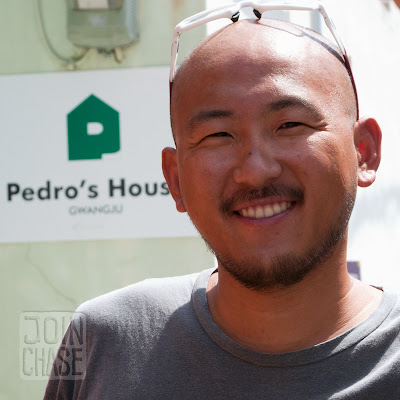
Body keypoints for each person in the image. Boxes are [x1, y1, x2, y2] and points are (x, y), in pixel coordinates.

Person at [45, 6, 400, 400]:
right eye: (217, 135)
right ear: (176, 180)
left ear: (363, 152)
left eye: (290, 125)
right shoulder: (106, 341)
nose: (255, 170)